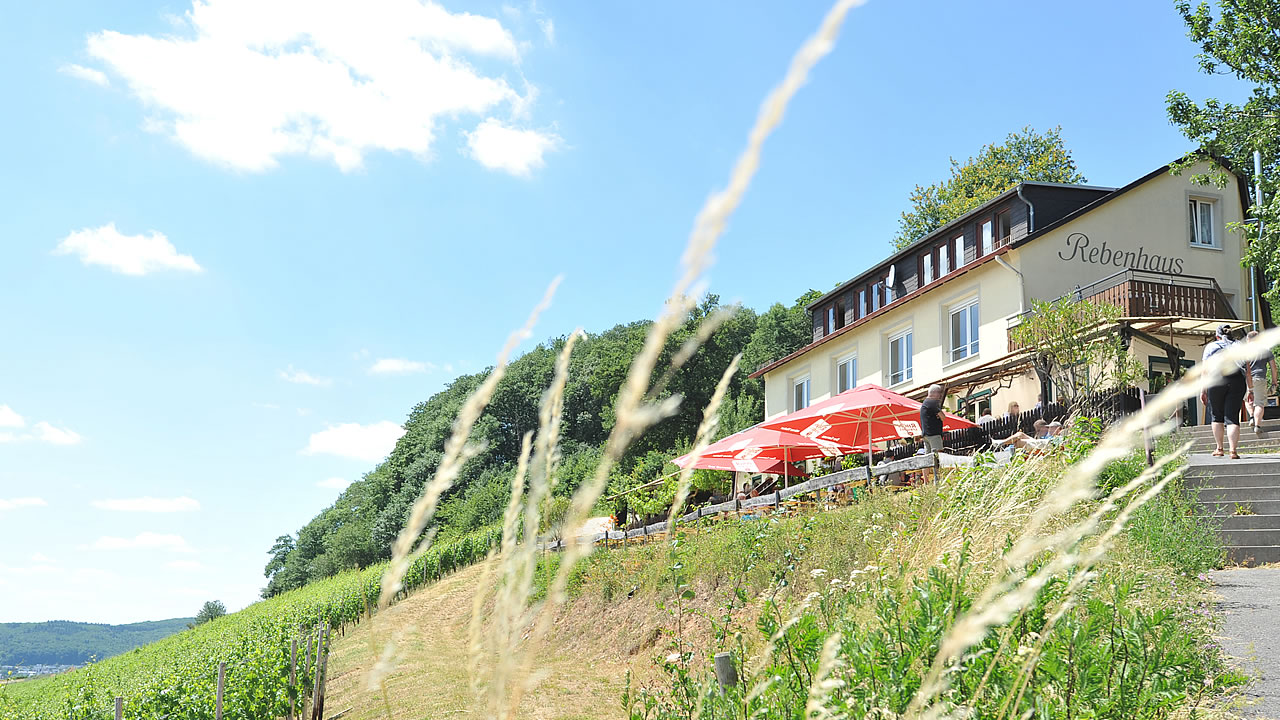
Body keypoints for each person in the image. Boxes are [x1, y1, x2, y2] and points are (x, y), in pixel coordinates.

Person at [1200, 324, 1248, 459]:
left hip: (1216, 380)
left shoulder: (1211, 347)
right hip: (1237, 380)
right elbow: (1247, 368)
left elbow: (1205, 370)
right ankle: (1233, 451)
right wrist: (1250, 388)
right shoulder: (1239, 346)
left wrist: (1203, 390)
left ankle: (1219, 448)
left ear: (1217, 335)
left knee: (1217, 415)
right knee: (1232, 417)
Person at [1245, 330, 1278, 434]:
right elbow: (1273, 367)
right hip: (1260, 378)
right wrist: (1274, 381)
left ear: (1248, 339)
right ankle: (1257, 425)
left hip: (1247, 378)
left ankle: (1251, 417)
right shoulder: (1266, 350)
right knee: (1259, 403)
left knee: (1247, 399)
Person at [919, 384, 946, 453]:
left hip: (926, 435)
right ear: (935, 392)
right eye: (939, 392)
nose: (940, 395)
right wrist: (939, 416)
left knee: (929, 459)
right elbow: (943, 417)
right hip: (934, 434)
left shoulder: (925, 403)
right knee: (938, 456)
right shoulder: (932, 403)